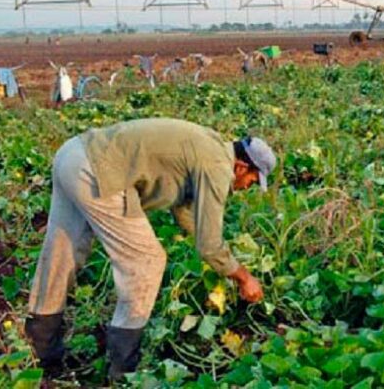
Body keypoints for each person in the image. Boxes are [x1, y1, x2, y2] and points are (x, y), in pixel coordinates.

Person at [25, 118, 277, 381]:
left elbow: (185, 212)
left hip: (74, 154)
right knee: (147, 261)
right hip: (100, 171)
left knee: (62, 253)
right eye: (250, 180)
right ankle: (123, 371)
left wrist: (219, 254)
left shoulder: (209, 144)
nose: (246, 188)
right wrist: (244, 277)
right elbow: (210, 245)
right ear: (241, 166)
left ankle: (39, 351)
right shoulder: (218, 167)